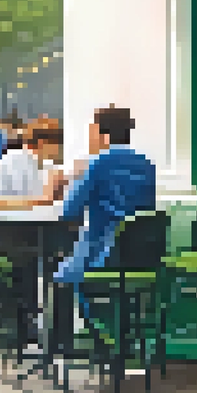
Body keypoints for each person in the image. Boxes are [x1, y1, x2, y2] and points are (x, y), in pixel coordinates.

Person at [54, 106, 156, 326]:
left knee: (60, 274)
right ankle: (113, 337)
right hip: (141, 254)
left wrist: (79, 175)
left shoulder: (98, 163)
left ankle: (67, 343)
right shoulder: (146, 164)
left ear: (103, 135)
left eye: (92, 131)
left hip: (103, 253)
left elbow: (70, 210)